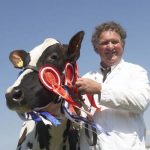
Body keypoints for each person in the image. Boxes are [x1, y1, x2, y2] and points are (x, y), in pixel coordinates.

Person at [76, 21, 150, 150]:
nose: (110, 46)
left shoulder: (136, 72)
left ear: (122, 44)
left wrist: (100, 89)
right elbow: (80, 117)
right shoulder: (85, 78)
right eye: (104, 43)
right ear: (96, 48)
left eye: (115, 42)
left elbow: (141, 102)